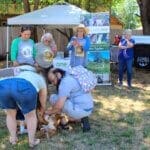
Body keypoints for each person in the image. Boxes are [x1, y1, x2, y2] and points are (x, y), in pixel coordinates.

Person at [0, 65, 47, 147]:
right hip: (24, 85)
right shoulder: (38, 76)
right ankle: (32, 141)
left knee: (10, 115)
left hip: (3, 86)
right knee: (30, 116)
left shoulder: (11, 70)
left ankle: (13, 139)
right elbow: (43, 102)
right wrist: (42, 111)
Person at [46, 68, 94, 132]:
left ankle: (64, 122)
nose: (53, 84)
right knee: (64, 100)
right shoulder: (72, 75)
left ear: (57, 74)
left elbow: (59, 106)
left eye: (53, 80)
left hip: (80, 109)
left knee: (53, 98)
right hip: (88, 108)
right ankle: (81, 117)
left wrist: (47, 112)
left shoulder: (65, 82)